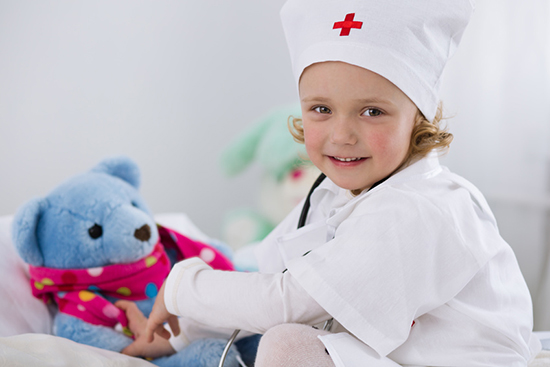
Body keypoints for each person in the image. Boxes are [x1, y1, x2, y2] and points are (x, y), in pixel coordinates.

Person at [121, 0, 542, 365]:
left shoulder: (422, 208)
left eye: (372, 112)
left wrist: (181, 286)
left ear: (420, 117)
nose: (342, 135)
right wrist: (178, 334)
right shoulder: (333, 192)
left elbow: (284, 300)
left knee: (287, 344)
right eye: (321, 108)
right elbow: (264, 271)